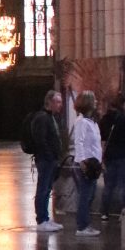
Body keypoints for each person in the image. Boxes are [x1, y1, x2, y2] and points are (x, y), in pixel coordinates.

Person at [30, 89, 64, 232]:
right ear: (49, 102)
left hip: (50, 159)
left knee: (47, 188)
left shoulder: (51, 117)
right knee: (43, 189)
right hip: (45, 160)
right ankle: (41, 220)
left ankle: (46, 217)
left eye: (61, 102)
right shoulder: (42, 118)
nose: (60, 105)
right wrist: (49, 156)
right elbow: (41, 140)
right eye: (57, 102)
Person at [72, 90, 103, 237]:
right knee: (85, 196)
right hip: (86, 164)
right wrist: (82, 161)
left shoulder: (91, 121)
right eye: (94, 100)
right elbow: (79, 142)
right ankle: (82, 226)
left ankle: (85, 223)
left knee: (89, 195)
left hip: (94, 162)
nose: (96, 102)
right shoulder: (82, 122)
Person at [101, 93, 125, 221]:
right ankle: (124, 212)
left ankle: (104, 212)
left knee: (108, 186)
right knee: (124, 185)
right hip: (124, 155)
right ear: (121, 104)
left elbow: (102, 139)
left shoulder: (104, 119)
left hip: (110, 156)